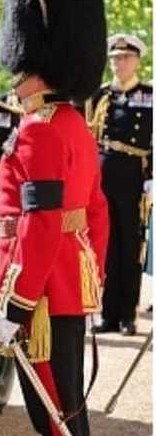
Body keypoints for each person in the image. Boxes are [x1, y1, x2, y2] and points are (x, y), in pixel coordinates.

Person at [0, 0, 109, 436]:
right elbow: (97, 214)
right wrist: (93, 277)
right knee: (68, 419)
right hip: (65, 288)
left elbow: (35, 227)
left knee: (55, 428)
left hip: (38, 296)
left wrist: (13, 302)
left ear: (40, 68)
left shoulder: (38, 132)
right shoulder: (76, 128)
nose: (16, 77)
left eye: (22, 67)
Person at [86, 34, 153, 336]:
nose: (119, 63)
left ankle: (127, 313)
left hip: (133, 175)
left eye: (125, 58)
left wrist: (151, 178)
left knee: (129, 245)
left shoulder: (148, 95)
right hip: (103, 175)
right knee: (105, 244)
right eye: (114, 58)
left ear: (137, 60)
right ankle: (107, 313)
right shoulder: (99, 96)